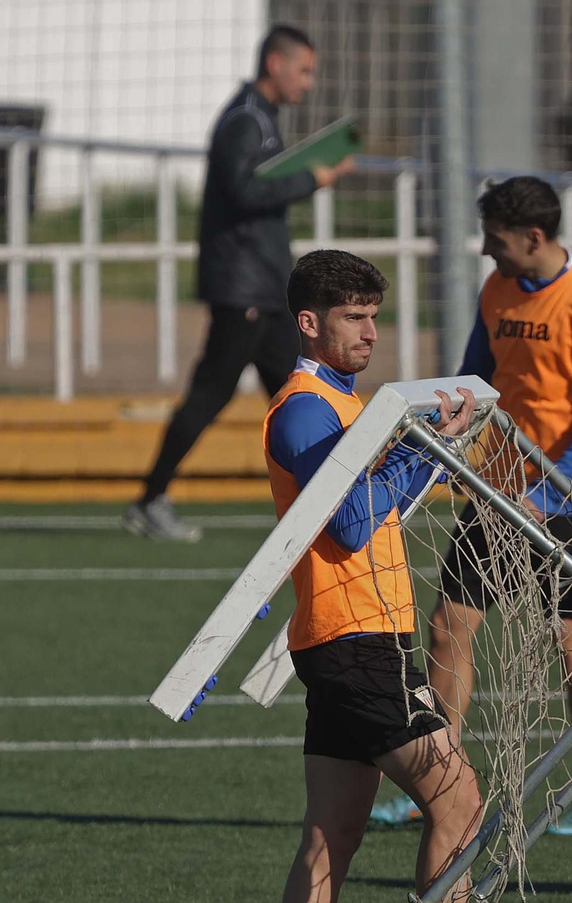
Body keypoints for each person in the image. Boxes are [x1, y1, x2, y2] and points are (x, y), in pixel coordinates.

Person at [259, 249, 542, 903]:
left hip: (358, 639)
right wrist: (422, 446)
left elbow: (377, 504)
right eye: (353, 317)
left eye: (374, 317)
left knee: (333, 834)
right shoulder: (304, 410)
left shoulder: (344, 405)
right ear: (310, 323)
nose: (369, 333)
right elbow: (350, 524)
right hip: (355, 644)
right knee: (459, 801)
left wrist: (429, 445)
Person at [369, 176, 572, 837]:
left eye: (496, 240)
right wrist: (438, 442)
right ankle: (437, 783)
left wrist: (549, 492)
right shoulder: (496, 289)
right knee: (448, 626)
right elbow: (472, 381)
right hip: (497, 493)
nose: (488, 251)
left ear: (534, 237)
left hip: (565, 502)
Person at [124, 25, 354, 542]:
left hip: (263, 290)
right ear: (275, 63)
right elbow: (244, 192)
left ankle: (334, 497)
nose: (308, 83)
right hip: (243, 291)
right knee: (214, 395)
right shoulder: (245, 120)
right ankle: (150, 499)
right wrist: (311, 179)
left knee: (302, 390)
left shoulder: (262, 118)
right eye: (304, 71)